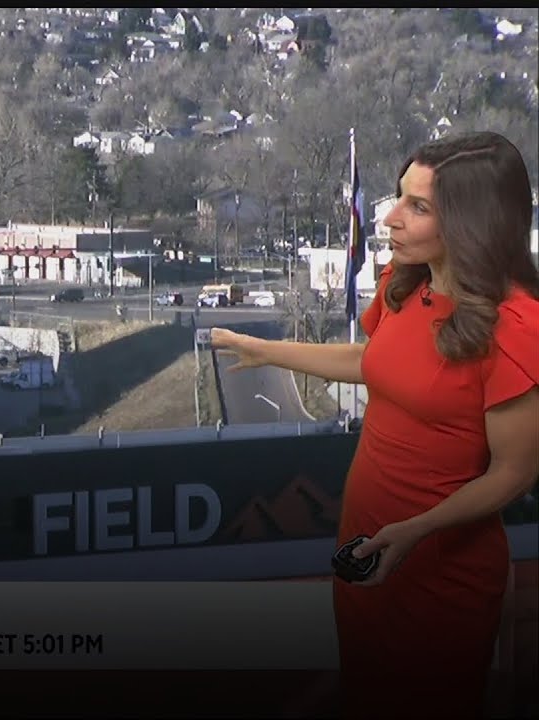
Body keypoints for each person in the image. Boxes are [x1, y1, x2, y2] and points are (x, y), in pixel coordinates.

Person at [211, 131, 539, 718]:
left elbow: (515, 473)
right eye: (397, 197)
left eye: (418, 207)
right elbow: (375, 363)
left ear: (473, 222)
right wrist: (265, 352)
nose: (389, 218)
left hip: (440, 569)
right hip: (366, 544)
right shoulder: (405, 284)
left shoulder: (516, 328)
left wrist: (416, 529)